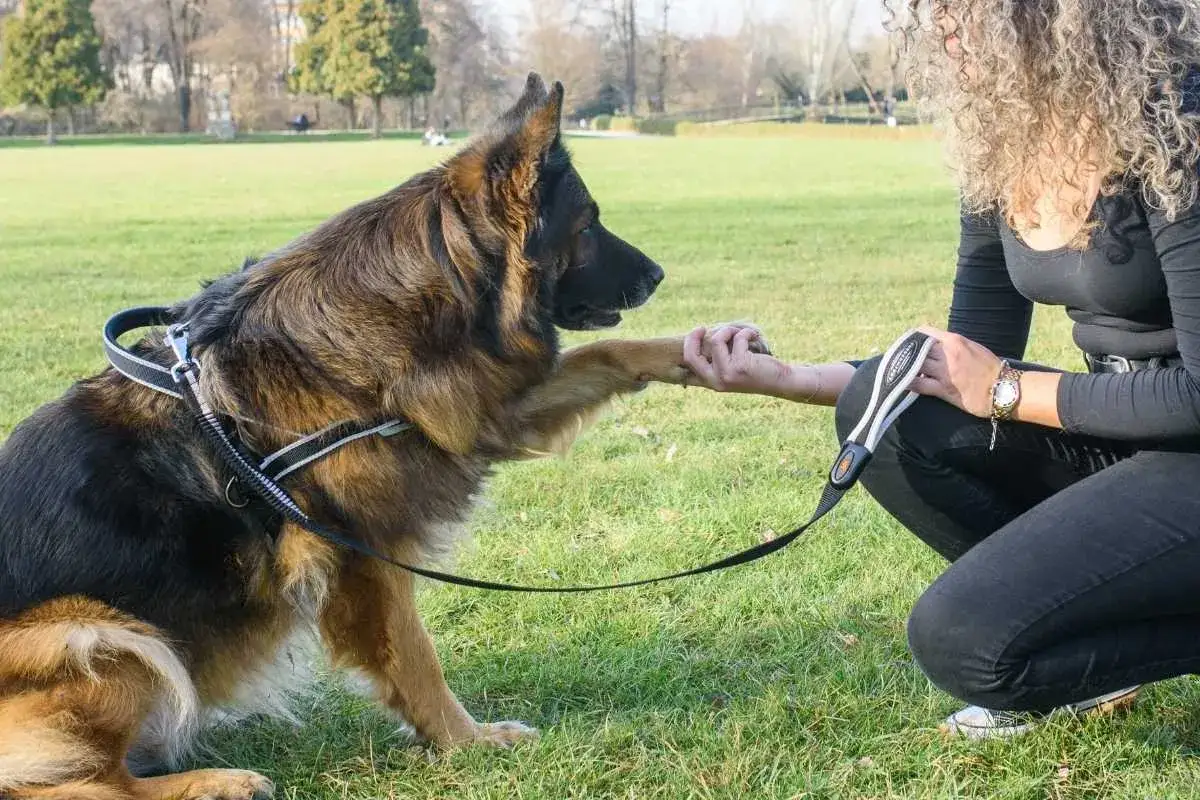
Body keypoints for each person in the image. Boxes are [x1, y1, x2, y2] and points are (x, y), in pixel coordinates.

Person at [682, 0, 1200, 740]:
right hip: (1133, 439)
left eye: (967, 10)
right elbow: (965, 361)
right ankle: (1080, 626)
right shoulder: (1007, 142)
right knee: (883, 411)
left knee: (965, 640)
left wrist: (1006, 390)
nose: (946, 30)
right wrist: (788, 377)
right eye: (936, 13)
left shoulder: (1176, 118)